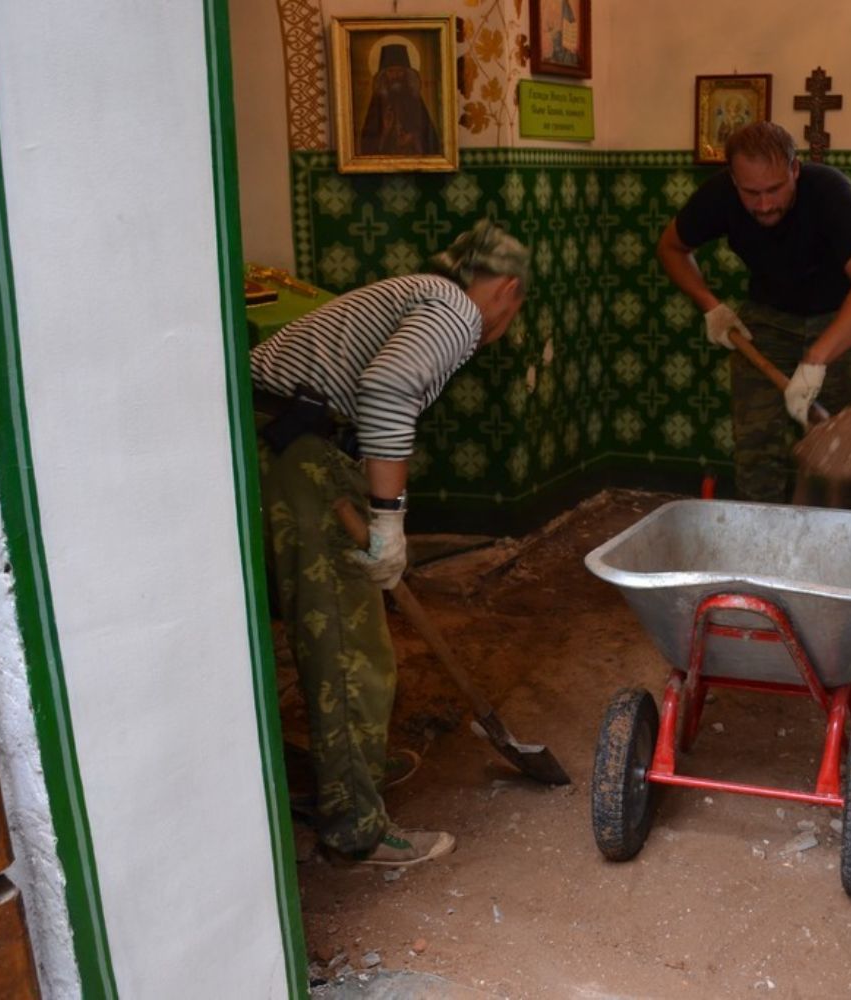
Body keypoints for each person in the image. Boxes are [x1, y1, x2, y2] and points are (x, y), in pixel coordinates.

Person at [250, 220, 529, 866]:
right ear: (506, 290)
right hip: (297, 453)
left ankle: (352, 772)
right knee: (348, 644)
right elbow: (387, 389)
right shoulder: (454, 310)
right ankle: (355, 824)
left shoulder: (419, 293)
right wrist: (387, 519)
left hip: (280, 441)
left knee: (329, 635)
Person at [656, 121, 851, 506]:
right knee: (755, 449)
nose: (765, 204)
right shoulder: (719, 195)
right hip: (766, 323)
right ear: (734, 180)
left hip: (841, 323)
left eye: (775, 189)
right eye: (751, 193)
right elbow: (671, 247)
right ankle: (761, 536)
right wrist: (711, 306)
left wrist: (816, 359)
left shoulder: (828, 191)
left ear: (794, 169)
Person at [359, 43, 440, 156]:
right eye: (391, 71)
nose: (396, 76)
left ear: (407, 74)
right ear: (384, 75)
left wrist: (413, 138)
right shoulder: (377, 104)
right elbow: (366, 146)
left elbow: (431, 141)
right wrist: (385, 131)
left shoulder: (414, 100)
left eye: (400, 71)